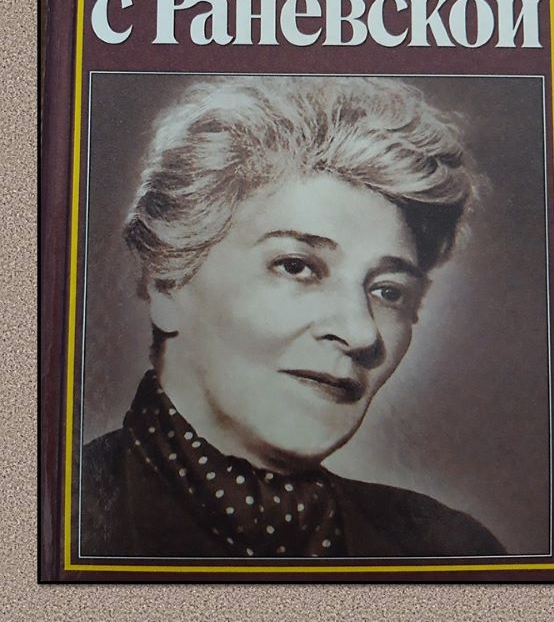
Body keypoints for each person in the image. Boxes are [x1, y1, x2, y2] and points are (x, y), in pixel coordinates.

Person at [81, 76, 505, 558]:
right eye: (297, 267)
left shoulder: (450, 548)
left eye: (388, 292)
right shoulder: (53, 520)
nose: (360, 332)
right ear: (167, 283)